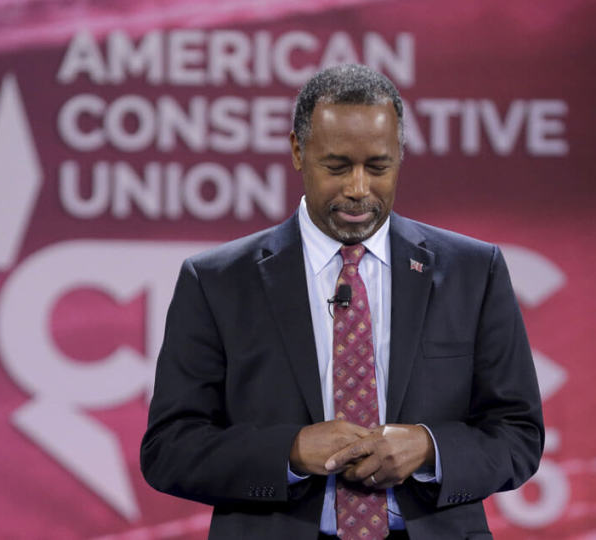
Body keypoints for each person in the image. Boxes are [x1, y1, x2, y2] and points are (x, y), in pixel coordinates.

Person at [140, 64, 544, 539]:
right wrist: (289, 452)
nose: (358, 189)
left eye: (378, 167)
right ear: (297, 150)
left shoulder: (472, 271)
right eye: (336, 167)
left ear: (401, 156)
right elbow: (170, 449)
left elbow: (519, 434)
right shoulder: (217, 282)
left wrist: (430, 448)